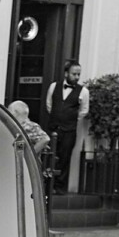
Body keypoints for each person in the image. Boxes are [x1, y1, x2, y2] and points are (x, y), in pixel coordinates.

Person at [43, 59, 88, 192]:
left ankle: (60, 188)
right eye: (74, 74)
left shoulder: (83, 91)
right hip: (53, 128)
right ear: (66, 73)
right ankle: (46, 186)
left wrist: (70, 118)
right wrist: (58, 116)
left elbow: (84, 111)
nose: (77, 77)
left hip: (69, 130)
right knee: (49, 156)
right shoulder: (54, 86)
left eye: (79, 74)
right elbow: (49, 105)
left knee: (65, 158)